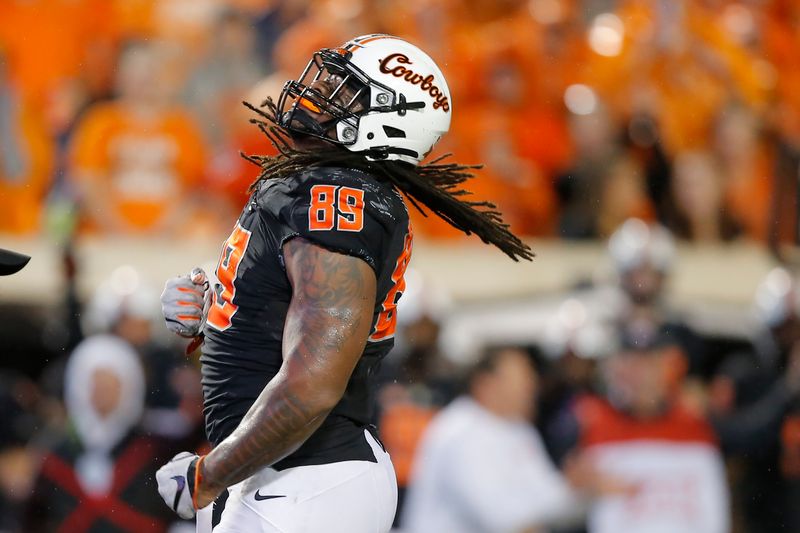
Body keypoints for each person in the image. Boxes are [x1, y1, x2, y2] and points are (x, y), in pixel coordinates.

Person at [156, 34, 532, 533]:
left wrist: (209, 475)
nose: (319, 95)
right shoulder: (325, 189)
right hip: (288, 473)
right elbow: (285, 324)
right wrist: (218, 302)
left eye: (345, 91)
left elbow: (313, 381)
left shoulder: (337, 195)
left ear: (386, 122)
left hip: (307, 478)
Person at [401, 346, 588, 533]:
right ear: (486, 384)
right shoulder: (460, 431)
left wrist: (576, 485)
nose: (531, 387)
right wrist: (569, 492)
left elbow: (549, 496)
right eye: (521, 379)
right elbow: (502, 518)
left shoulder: (521, 430)